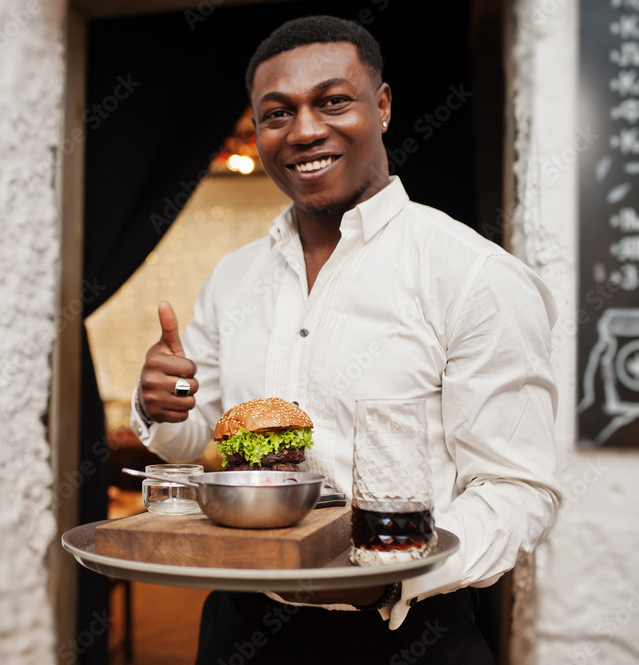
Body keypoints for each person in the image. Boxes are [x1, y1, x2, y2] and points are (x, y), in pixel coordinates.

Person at [130, 15, 559, 664]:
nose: (304, 130)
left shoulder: (472, 274)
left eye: (333, 101)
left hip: (407, 632)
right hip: (239, 623)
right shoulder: (233, 276)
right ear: (256, 127)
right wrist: (166, 406)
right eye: (277, 113)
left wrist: (389, 576)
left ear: (382, 106)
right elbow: (206, 440)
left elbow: (518, 487)